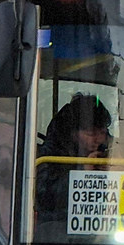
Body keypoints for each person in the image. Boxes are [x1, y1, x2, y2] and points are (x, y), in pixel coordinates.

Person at [34, 93, 114, 226]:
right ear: (72, 133)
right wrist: (83, 172)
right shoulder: (48, 156)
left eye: (102, 133)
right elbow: (45, 199)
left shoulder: (110, 150)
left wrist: (116, 168)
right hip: (59, 225)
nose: (98, 140)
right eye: (90, 134)